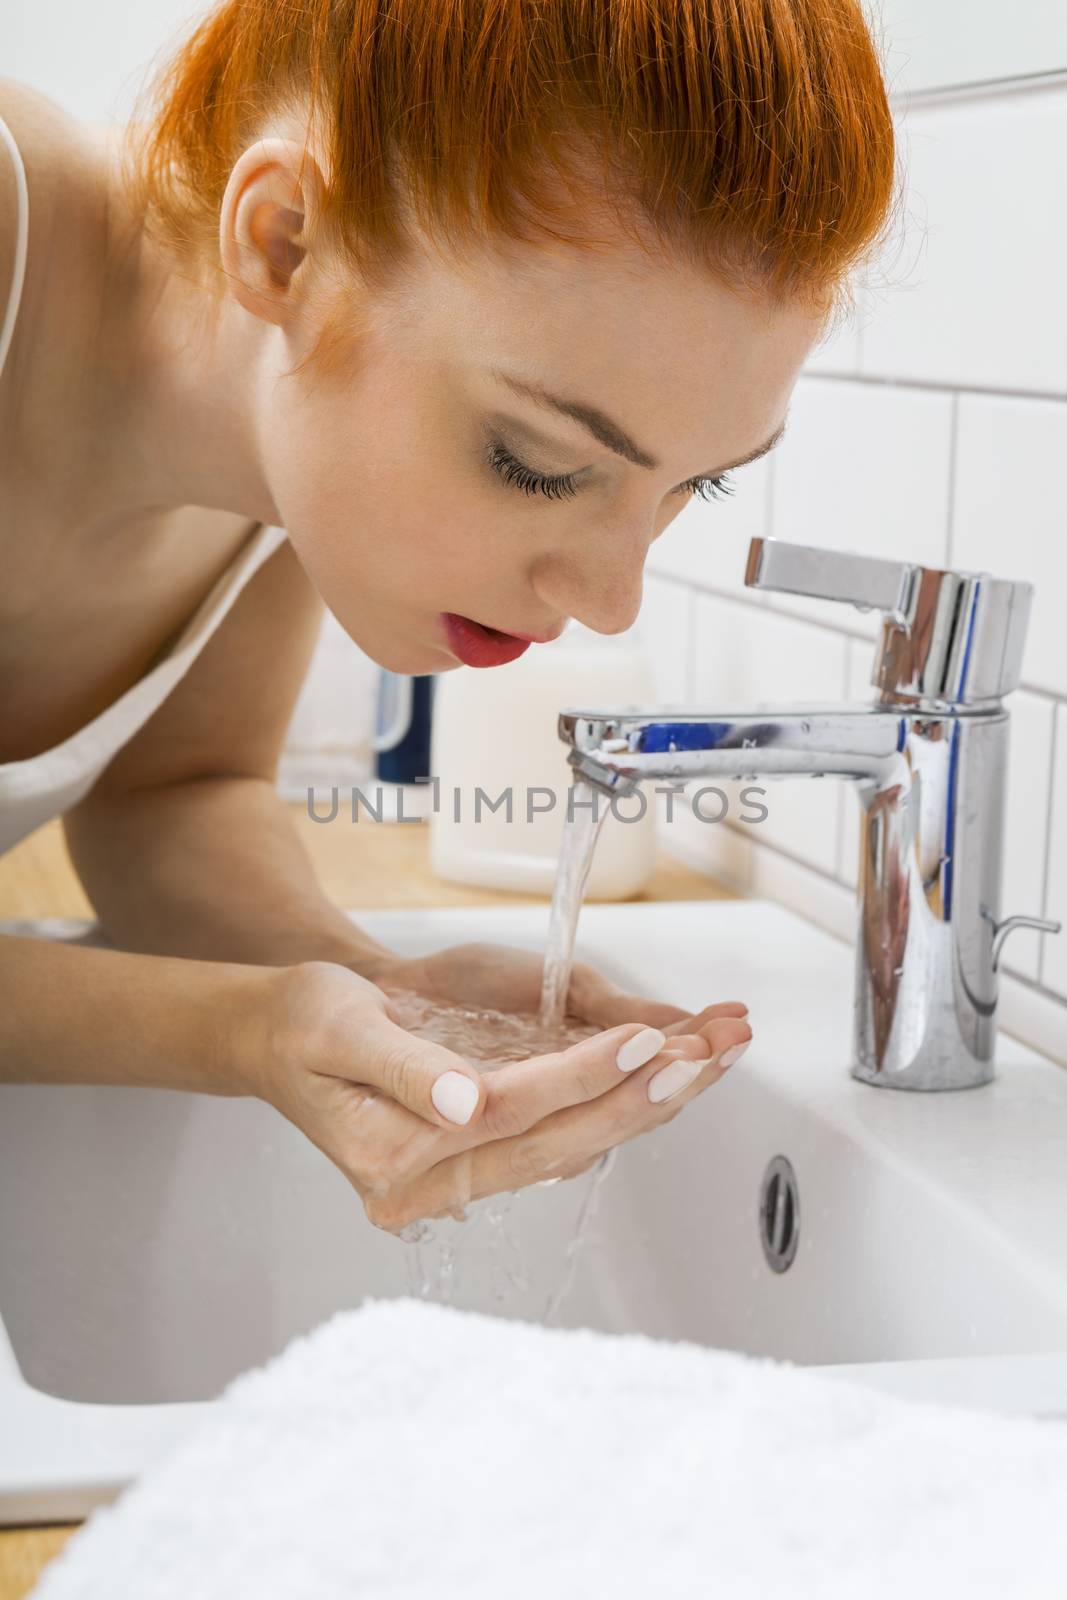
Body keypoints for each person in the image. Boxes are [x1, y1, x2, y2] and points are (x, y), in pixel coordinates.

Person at [0, 0, 894, 1233]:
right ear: (283, 245)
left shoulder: (290, 457)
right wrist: (245, 1031)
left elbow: (173, 797)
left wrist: (375, 990)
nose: (609, 596)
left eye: (697, 482)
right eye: (533, 461)